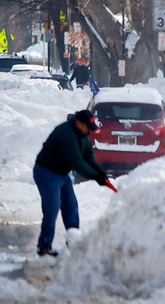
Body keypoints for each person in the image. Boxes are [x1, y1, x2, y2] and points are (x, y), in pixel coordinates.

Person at [32, 109, 110, 257]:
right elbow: (78, 164)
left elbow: (88, 157)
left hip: (61, 174)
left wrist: (100, 172)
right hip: (47, 173)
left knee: (71, 207)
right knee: (52, 209)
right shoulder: (66, 135)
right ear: (79, 123)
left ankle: (74, 244)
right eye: (88, 127)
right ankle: (44, 247)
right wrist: (96, 177)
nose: (90, 131)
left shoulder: (83, 134)